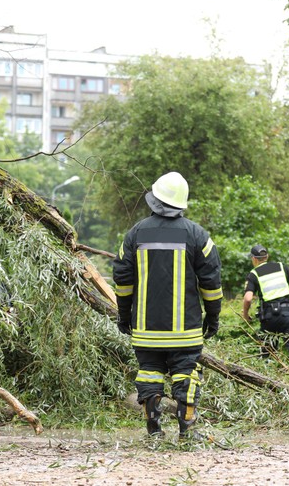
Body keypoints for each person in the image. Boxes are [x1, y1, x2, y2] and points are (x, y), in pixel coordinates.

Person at [113, 172, 223, 439]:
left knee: (149, 374)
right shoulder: (198, 235)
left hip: (146, 329)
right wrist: (213, 317)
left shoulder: (135, 233)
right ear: (181, 204)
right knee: (186, 374)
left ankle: (153, 430)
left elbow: (122, 280)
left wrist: (124, 316)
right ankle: (187, 430)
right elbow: (211, 282)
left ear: (154, 200)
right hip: (185, 330)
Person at [241, 244, 289, 366]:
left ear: (254, 259)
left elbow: (247, 299)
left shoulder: (253, 274)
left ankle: (264, 379)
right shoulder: (281, 267)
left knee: (266, 355)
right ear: (267, 256)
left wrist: (245, 315)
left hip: (268, 319)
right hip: (288, 316)